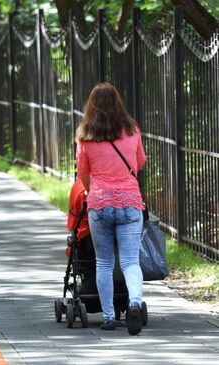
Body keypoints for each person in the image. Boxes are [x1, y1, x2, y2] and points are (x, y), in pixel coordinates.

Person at [76, 82, 146, 335]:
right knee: (129, 261)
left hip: (100, 203)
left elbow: (83, 173)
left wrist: (91, 190)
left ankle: (108, 318)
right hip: (129, 202)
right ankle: (135, 302)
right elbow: (138, 163)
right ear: (118, 102)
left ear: (91, 105)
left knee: (103, 263)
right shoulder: (132, 129)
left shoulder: (85, 135)